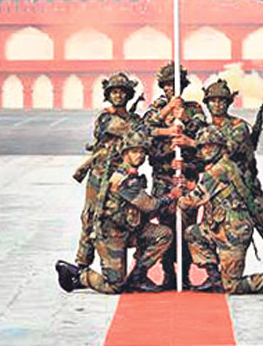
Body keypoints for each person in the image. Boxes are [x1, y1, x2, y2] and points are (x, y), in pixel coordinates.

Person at [184, 79, 263, 291]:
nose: (217, 105)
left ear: (228, 103)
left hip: (247, 192)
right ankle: (216, 276)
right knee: (210, 231)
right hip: (222, 196)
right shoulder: (205, 130)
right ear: (207, 103)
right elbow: (202, 160)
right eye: (213, 101)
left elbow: (228, 150)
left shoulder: (238, 127)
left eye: (221, 101)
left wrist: (192, 143)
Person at [56, 131, 181, 294]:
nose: (139, 156)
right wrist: (172, 196)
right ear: (125, 153)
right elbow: (150, 206)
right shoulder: (123, 179)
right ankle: (79, 276)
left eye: (142, 152)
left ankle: (138, 277)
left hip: (130, 229)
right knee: (115, 286)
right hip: (111, 234)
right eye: (134, 151)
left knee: (163, 234)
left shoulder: (132, 175)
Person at [143, 62, 207, 289]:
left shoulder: (194, 109)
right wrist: (168, 110)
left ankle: (185, 274)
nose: (171, 88)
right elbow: (144, 131)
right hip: (163, 178)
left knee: (187, 227)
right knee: (167, 229)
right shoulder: (157, 107)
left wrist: (185, 118)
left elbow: (204, 137)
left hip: (187, 177)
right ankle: (168, 273)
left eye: (175, 84)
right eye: (167, 85)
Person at [72, 72, 145, 269]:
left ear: (128, 95)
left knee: (123, 216)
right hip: (99, 174)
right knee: (90, 215)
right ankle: (82, 263)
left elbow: (142, 136)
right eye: (114, 92)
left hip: (123, 176)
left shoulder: (134, 119)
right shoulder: (105, 118)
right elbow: (132, 132)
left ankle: (117, 264)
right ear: (108, 95)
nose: (118, 95)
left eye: (122, 92)